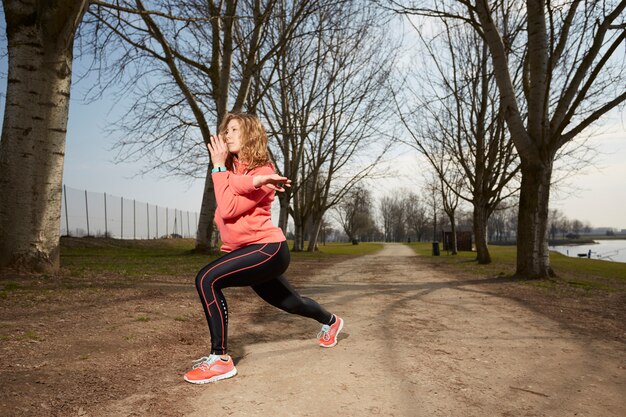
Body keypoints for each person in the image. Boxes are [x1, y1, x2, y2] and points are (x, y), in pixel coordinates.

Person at [184, 113, 344, 384]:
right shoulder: (233, 172)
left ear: (250, 135)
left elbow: (228, 207)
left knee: (206, 279)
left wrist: (227, 171)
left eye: (234, 130)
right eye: (226, 130)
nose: (227, 135)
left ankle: (220, 359)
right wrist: (227, 172)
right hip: (250, 253)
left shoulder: (265, 172)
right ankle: (331, 321)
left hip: (268, 249)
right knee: (292, 303)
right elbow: (232, 190)